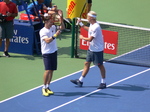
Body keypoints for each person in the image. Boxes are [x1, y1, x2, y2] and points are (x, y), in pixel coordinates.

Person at [70, 11, 106, 89]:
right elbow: (89, 29)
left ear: (91, 18)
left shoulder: (96, 27)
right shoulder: (92, 25)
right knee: (87, 63)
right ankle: (80, 81)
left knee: (100, 65)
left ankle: (103, 82)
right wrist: (81, 24)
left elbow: (90, 39)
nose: (86, 18)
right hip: (91, 49)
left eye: (87, 17)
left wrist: (82, 38)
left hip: (97, 50)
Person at [39, 14, 62, 96]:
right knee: (48, 70)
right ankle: (44, 87)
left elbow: (61, 27)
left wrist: (61, 18)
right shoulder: (42, 31)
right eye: (49, 22)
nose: (51, 23)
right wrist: (55, 35)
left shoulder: (53, 27)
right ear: (45, 22)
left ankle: (48, 86)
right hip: (46, 53)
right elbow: (48, 41)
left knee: (52, 70)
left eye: (51, 21)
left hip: (54, 51)